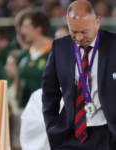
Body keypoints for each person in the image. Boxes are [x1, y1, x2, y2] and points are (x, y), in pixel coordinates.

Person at [42, 1, 116, 150]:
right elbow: (50, 92)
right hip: (70, 135)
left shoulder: (114, 45)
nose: (80, 37)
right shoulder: (59, 47)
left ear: (97, 22)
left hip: (108, 135)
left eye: (84, 31)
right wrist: (52, 127)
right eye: (74, 31)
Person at [17, 10, 52, 108]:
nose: (23, 31)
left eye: (27, 27)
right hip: (25, 110)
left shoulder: (57, 53)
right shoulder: (24, 54)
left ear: (38, 29)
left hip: (49, 111)